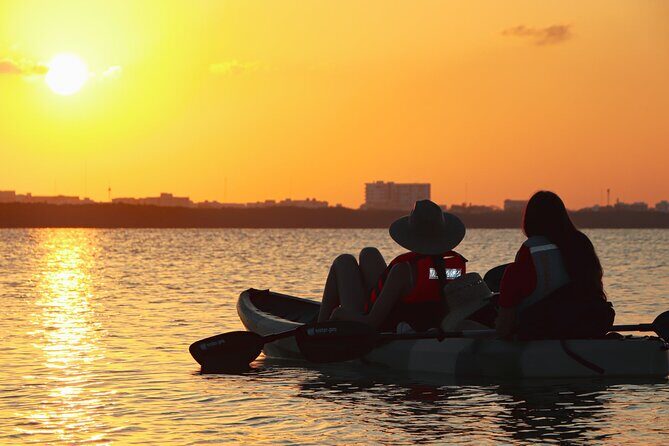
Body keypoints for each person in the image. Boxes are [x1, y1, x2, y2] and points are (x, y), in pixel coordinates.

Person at [317, 199, 467, 331]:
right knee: (369, 253)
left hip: (384, 325)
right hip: (423, 320)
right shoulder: (456, 265)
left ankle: (318, 329)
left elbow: (371, 323)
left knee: (343, 261)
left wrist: (340, 313)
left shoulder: (403, 271)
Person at [496, 191, 614, 339]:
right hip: (587, 329)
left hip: (543, 337)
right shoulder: (582, 246)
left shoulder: (522, 264)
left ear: (529, 220)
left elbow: (504, 328)